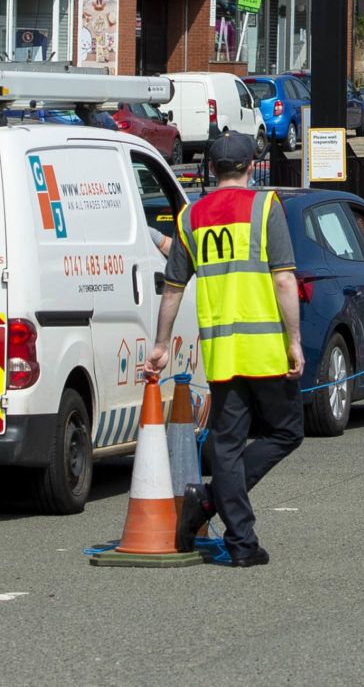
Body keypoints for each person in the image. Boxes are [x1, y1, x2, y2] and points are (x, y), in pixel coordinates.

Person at [145, 130, 303, 568]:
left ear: (211, 169)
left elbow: (173, 291)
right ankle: (213, 502)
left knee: (228, 445)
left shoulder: (190, 217)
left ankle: (241, 542)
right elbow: (285, 279)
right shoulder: (265, 207)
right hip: (266, 349)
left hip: (221, 352)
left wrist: (161, 345)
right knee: (286, 432)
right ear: (251, 167)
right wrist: (294, 341)